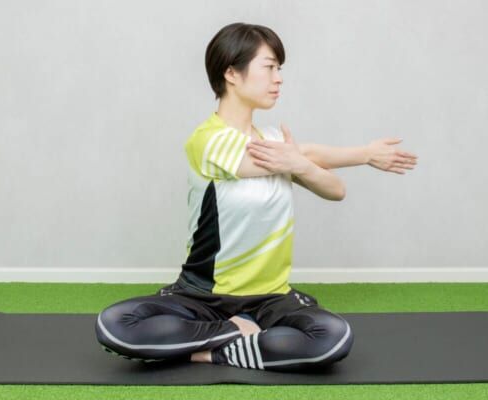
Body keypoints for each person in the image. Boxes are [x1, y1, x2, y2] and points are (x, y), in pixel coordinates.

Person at [95, 23, 418, 372]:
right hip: (201, 295)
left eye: (279, 69)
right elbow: (292, 156)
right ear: (231, 73)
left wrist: (361, 155)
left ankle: (212, 349)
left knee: (334, 337)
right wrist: (305, 159)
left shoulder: (276, 142)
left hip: (272, 298)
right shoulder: (208, 141)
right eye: (269, 67)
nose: (278, 78)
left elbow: (335, 189)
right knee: (114, 324)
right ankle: (238, 333)